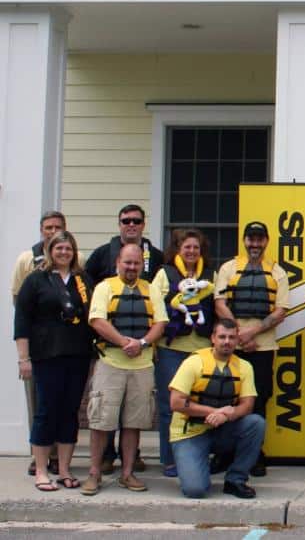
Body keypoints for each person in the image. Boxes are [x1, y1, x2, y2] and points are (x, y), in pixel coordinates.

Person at [84, 203, 164, 475]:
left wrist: (140, 344)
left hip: (142, 360)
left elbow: (161, 320)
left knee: (134, 420)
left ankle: (129, 467)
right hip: (110, 356)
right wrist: (121, 341)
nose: (131, 224)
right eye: (126, 220)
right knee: (102, 417)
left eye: (136, 220)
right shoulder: (103, 270)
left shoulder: (155, 264)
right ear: (117, 263)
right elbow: (94, 312)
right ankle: (100, 465)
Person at [14, 230, 93, 491]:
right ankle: (41, 470)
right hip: (46, 356)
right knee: (46, 411)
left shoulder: (83, 280)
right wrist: (23, 359)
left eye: (68, 249)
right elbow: (22, 320)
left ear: (74, 252)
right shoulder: (36, 280)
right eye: (58, 248)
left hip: (78, 355)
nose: (63, 253)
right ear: (50, 251)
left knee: (70, 412)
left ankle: (65, 470)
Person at [214, 221, 290, 477]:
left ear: (266, 241)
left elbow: (280, 311)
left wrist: (252, 333)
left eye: (259, 239)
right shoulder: (228, 268)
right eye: (251, 239)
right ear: (244, 241)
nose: (255, 244)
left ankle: (254, 454)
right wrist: (238, 335)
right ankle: (224, 453)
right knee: (225, 397)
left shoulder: (277, 272)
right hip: (229, 346)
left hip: (263, 346)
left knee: (258, 400)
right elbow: (220, 303)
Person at [168, 318, 265, 499]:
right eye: (222, 337)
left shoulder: (244, 367)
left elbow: (248, 405)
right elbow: (176, 403)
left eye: (231, 337)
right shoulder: (194, 362)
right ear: (213, 338)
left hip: (222, 429)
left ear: (237, 340)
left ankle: (236, 480)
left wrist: (230, 415)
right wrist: (214, 412)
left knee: (256, 423)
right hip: (190, 433)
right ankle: (196, 462)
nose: (227, 342)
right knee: (195, 490)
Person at [150, 228, 215, 478]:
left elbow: (218, 306)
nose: (191, 251)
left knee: (201, 406)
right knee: (170, 406)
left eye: (195, 247)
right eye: (186, 247)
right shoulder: (164, 274)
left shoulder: (211, 275)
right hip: (171, 349)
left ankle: (197, 457)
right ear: (177, 249)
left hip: (202, 351)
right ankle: (169, 459)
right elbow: (155, 308)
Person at [10, 210, 66, 477]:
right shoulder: (27, 259)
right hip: (37, 342)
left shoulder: (74, 259)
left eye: (57, 226)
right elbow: (18, 301)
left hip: (66, 344)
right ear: (41, 230)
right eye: (47, 227)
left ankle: (57, 455)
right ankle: (39, 455)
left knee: (61, 401)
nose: (52, 230)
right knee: (38, 402)